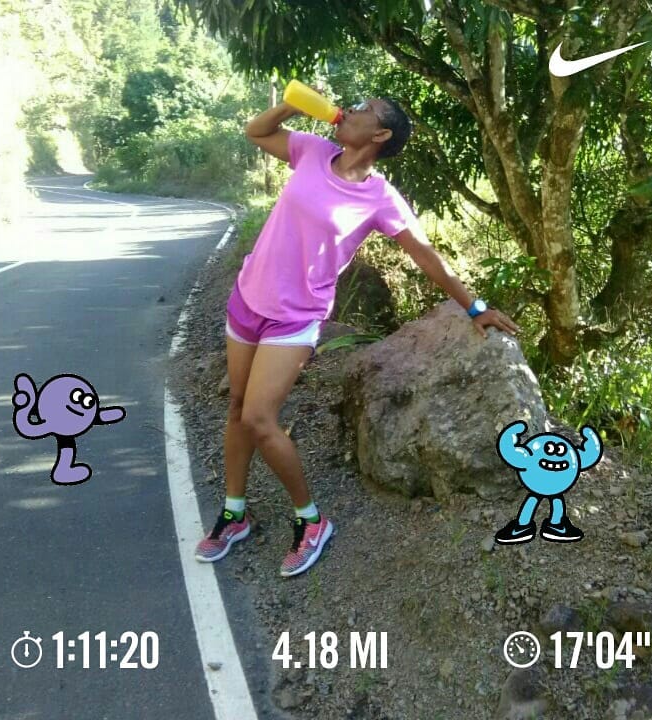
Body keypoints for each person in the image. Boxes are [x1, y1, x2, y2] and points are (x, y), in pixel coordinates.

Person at [195, 91, 520, 577]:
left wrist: (473, 306)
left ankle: (311, 521)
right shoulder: (311, 150)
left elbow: (424, 254)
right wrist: (292, 106)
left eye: (363, 109)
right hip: (248, 298)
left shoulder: (379, 198)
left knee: (262, 419)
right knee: (238, 407)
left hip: (295, 316)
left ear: (380, 135)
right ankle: (234, 512)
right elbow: (256, 132)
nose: (347, 110)